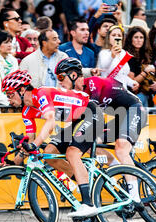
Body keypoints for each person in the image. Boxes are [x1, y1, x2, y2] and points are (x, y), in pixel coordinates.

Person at [2, 69, 105, 217]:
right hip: (77, 120)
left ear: (22, 89)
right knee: (49, 153)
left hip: (91, 113)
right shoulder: (26, 111)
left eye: (10, 94)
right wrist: (14, 162)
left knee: (72, 153)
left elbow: (50, 121)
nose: (8, 99)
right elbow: (30, 139)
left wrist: (34, 145)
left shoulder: (41, 94)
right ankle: (85, 184)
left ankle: (88, 204)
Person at [54, 57, 148, 206]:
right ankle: (118, 172)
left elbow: (94, 113)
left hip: (135, 110)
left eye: (61, 76)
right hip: (120, 116)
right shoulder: (75, 95)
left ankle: (135, 198)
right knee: (93, 145)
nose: (59, 81)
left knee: (121, 147)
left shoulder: (91, 83)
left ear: (73, 75)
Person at [124, 26, 156, 107]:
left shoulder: (146, 54)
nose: (139, 40)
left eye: (141, 37)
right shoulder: (127, 56)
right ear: (130, 39)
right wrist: (146, 72)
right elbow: (132, 82)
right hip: (134, 96)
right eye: (136, 37)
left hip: (148, 95)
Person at [96, 25, 138, 91]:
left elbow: (122, 76)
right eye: (114, 35)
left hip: (122, 91)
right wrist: (112, 55)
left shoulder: (123, 53)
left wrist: (132, 83)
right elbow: (104, 67)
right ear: (108, 38)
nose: (116, 37)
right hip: (108, 91)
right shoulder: (104, 53)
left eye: (119, 36)